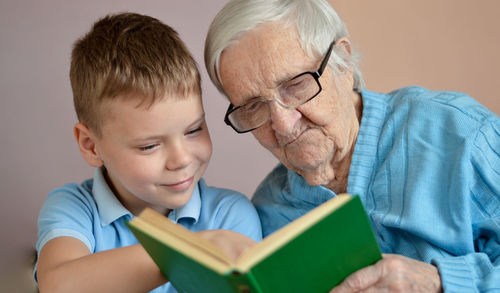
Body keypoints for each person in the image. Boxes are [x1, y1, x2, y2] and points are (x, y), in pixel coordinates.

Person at [204, 0, 500, 291]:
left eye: (295, 85)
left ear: (343, 63)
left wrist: (440, 282)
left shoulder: (459, 134)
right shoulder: (270, 211)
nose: (282, 124)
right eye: (254, 106)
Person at [35, 12, 261, 293]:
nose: (181, 160)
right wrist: (191, 252)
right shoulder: (75, 208)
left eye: (193, 130)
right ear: (91, 146)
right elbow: (58, 286)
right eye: (149, 146)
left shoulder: (229, 215)